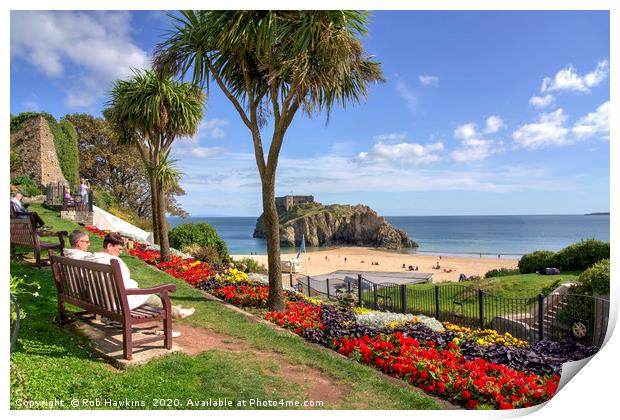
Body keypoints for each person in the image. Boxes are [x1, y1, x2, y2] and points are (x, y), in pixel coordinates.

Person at [85, 233, 195, 326]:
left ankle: (174, 308)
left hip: (99, 300)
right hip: (116, 303)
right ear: (109, 246)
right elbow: (125, 283)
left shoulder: (90, 258)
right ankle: (177, 313)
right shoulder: (114, 262)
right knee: (154, 298)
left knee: (150, 299)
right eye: (119, 249)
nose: (121, 252)